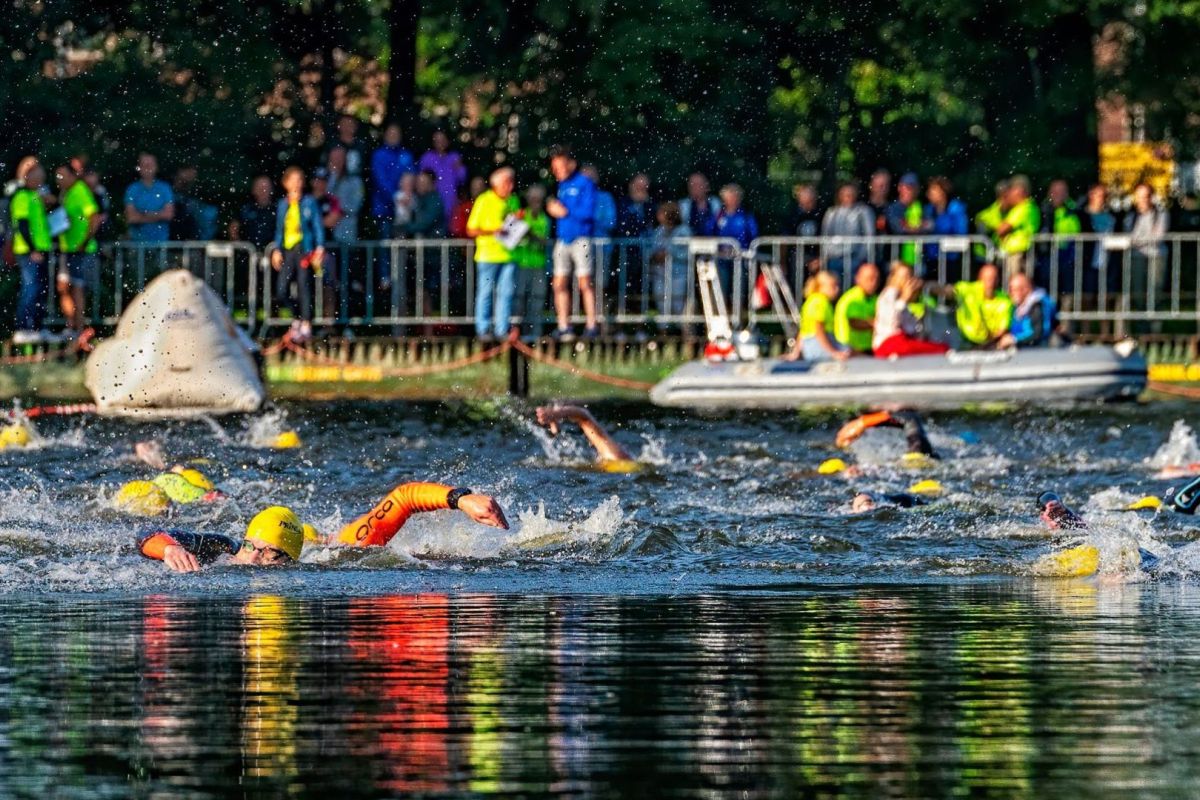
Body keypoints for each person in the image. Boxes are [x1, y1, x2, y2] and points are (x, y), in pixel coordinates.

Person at [139, 484, 509, 573]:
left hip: (322, 539)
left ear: (288, 559)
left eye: (271, 555)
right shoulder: (218, 546)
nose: (255, 560)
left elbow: (404, 498)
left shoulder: (341, 552)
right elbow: (146, 535)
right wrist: (169, 549)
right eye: (252, 548)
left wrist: (461, 499)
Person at [547, 147, 598, 340]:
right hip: (563, 240)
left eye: (559, 167)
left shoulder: (584, 183)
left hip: (581, 239)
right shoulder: (562, 186)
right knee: (559, 283)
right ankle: (563, 325)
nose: (556, 172)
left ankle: (591, 324)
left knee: (585, 283)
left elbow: (588, 214)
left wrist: (564, 211)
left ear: (571, 164)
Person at [270, 167, 325, 343]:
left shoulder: (309, 202)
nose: (297, 184)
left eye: (300, 180)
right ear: (285, 183)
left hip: (304, 248)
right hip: (288, 250)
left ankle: (307, 322)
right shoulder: (282, 204)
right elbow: (280, 230)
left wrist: (319, 247)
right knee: (281, 290)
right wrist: (276, 250)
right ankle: (297, 317)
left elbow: (317, 226)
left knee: (304, 286)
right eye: (293, 180)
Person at [466, 167, 519, 342]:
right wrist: (493, 231)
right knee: (486, 293)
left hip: (508, 256)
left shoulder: (513, 201)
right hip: (487, 256)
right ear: (496, 184)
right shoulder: (484, 200)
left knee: (506, 293)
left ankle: (501, 330)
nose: (510, 187)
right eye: (506, 183)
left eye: (511, 182)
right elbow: (471, 229)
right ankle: (483, 330)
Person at [10, 159, 55, 345]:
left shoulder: (35, 196)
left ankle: (37, 327)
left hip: (41, 249)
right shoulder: (22, 196)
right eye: (38, 176)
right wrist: (33, 249)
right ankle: (23, 328)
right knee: (31, 289)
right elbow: (22, 225)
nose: (41, 180)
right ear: (27, 176)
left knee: (41, 290)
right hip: (29, 251)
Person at [53, 164, 101, 337]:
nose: (59, 180)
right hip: (68, 249)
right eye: (57, 177)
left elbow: (94, 218)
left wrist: (84, 242)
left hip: (82, 250)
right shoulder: (66, 193)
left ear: (73, 176)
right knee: (63, 287)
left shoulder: (80, 190)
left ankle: (78, 330)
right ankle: (71, 326)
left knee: (77, 288)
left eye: (62, 176)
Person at [872, 262, 949, 358]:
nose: (907, 280)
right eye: (903, 277)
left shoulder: (903, 298)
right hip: (888, 343)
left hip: (901, 341)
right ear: (894, 278)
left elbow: (911, 329)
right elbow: (891, 323)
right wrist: (904, 298)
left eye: (909, 276)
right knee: (940, 349)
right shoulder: (888, 295)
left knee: (938, 347)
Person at [534, 405, 642, 473]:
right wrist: (556, 415)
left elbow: (584, 416)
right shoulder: (615, 458)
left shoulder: (615, 458)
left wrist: (556, 414)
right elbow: (584, 417)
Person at [785, 270, 847, 362]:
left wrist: (795, 352)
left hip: (809, 347)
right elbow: (818, 330)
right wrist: (833, 352)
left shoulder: (810, 301)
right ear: (820, 287)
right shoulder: (820, 302)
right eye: (833, 286)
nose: (837, 289)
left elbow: (803, 331)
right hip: (818, 346)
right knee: (849, 352)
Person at [512, 184, 550, 337]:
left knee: (536, 301)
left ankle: (534, 334)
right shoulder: (520, 215)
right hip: (520, 263)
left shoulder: (544, 219)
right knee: (518, 300)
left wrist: (529, 233)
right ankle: (515, 333)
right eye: (533, 199)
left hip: (538, 265)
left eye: (538, 200)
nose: (535, 203)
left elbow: (543, 241)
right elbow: (509, 236)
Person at [1124, 182, 1168, 310]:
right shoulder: (1130, 215)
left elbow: (1158, 236)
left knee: (1155, 290)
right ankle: (1140, 324)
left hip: (1156, 256)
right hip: (1136, 256)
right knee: (1137, 290)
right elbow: (1128, 236)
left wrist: (1135, 241)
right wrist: (1139, 240)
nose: (1143, 199)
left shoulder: (1161, 214)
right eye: (1140, 196)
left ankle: (1154, 325)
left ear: (1151, 197)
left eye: (1146, 196)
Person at [951, 263, 1014, 349]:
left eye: (994, 278)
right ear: (979, 279)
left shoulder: (1005, 301)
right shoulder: (968, 289)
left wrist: (989, 342)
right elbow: (949, 291)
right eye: (987, 278)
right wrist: (930, 286)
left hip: (990, 342)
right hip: (964, 339)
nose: (990, 282)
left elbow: (1002, 329)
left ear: (998, 280)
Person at [369, 122, 416, 238]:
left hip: (404, 208)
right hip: (383, 208)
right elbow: (380, 181)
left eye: (396, 133)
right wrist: (395, 197)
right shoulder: (379, 155)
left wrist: (406, 196)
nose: (394, 136)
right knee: (385, 245)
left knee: (402, 247)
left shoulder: (406, 155)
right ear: (385, 135)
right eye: (391, 133)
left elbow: (411, 176)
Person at [821, 182, 874, 282]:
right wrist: (827, 256)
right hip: (834, 259)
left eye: (851, 193)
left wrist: (861, 257)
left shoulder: (863, 211)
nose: (848, 196)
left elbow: (869, 235)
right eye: (845, 193)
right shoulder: (831, 212)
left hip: (855, 258)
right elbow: (826, 235)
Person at [1036, 179, 1083, 292]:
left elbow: (1077, 229)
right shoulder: (1042, 209)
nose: (1059, 195)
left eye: (1062, 191)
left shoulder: (1073, 210)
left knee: (1068, 283)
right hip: (1047, 253)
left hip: (1067, 253)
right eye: (1055, 191)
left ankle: (1066, 305)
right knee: (1046, 280)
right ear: (1049, 193)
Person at [714, 183, 758, 299]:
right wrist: (718, 249)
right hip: (722, 259)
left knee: (739, 290)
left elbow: (753, 235)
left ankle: (738, 312)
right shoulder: (718, 216)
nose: (732, 200)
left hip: (740, 259)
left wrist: (743, 250)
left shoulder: (745, 216)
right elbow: (710, 232)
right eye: (729, 197)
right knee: (721, 289)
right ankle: (724, 313)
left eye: (734, 197)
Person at [648, 201, 692, 317]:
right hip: (660, 273)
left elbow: (687, 253)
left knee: (678, 305)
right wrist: (655, 255)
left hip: (678, 274)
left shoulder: (684, 231)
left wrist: (670, 254)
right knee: (661, 303)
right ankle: (664, 332)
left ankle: (680, 332)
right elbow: (651, 249)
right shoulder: (658, 231)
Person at [921, 176, 968, 282]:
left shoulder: (956, 207)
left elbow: (961, 230)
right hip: (931, 257)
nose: (929, 193)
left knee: (949, 287)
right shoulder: (928, 209)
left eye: (933, 190)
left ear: (943, 192)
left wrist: (934, 225)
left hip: (950, 257)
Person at [417, 130, 467, 229]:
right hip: (432, 201)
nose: (440, 143)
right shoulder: (427, 157)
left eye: (442, 140)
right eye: (437, 140)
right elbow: (421, 181)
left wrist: (459, 168)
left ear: (448, 141)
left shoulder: (454, 157)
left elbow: (462, 179)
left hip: (451, 201)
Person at [993, 175, 1040, 277]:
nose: (1008, 194)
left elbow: (1001, 230)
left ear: (1020, 190)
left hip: (1019, 254)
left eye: (1011, 190)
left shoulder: (1024, 208)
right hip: (1019, 254)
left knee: (1017, 284)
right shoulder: (1025, 207)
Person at [123, 153, 174, 243]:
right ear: (139, 168)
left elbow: (169, 215)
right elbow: (131, 218)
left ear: (156, 167)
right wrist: (157, 215)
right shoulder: (132, 189)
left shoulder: (165, 188)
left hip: (160, 243)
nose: (148, 168)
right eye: (144, 165)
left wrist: (142, 215)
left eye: (150, 165)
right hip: (137, 243)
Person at [833, 262, 880, 354]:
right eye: (869, 279)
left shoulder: (874, 297)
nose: (874, 282)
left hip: (867, 348)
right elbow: (855, 323)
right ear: (858, 279)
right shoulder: (852, 298)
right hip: (850, 349)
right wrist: (879, 323)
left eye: (877, 279)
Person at [1080, 183, 1116, 299]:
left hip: (1107, 258)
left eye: (1104, 195)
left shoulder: (1112, 216)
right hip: (1087, 258)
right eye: (1099, 195)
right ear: (1091, 195)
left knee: (1106, 293)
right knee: (1087, 293)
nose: (1102, 198)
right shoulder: (1081, 215)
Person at [1007, 271, 1058, 347]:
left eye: (1017, 289)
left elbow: (1038, 334)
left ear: (1027, 289)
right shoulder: (1017, 307)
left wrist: (1014, 340)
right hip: (1023, 350)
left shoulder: (1037, 306)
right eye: (1011, 289)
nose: (1012, 293)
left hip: (1038, 353)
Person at [884, 172, 924, 267]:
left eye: (913, 188)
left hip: (917, 258)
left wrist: (909, 228)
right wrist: (918, 228)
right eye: (907, 187)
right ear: (899, 188)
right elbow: (898, 229)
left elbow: (931, 225)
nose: (910, 191)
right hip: (896, 257)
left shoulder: (921, 207)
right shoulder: (893, 208)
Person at [326, 147, 364, 245]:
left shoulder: (355, 181)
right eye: (334, 158)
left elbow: (355, 206)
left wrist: (337, 212)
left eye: (340, 158)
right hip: (326, 230)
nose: (336, 161)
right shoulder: (324, 179)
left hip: (346, 229)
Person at [785, 183, 823, 276]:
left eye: (810, 197)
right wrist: (782, 262)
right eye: (805, 196)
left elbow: (825, 237)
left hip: (815, 256)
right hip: (797, 255)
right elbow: (784, 239)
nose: (808, 199)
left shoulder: (821, 214)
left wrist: (820, 259)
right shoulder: (792, 215)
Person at [397, 170, 447, 239]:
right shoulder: (419, 198)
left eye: (423, 183)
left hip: (434, 243)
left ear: (431, 184)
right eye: (418, 183)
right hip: (425, 242)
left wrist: (403, 227)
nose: (419, 186)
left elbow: (424, 223)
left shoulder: (434, 201)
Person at [229, 176, 276, 248]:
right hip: (248, 253)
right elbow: (234, 227)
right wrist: (238, 245)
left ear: (271, 190)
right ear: (253, 190)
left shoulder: (277, 209)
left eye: (266, 188)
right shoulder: (246, 209)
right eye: (260, 188)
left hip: (271, 252)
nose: (263, 191)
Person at [615, 173, 655, 239]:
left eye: (644, 187)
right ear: (631, 186)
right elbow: (622, 225)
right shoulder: (622, 203)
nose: (641, 190)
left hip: (646, 244)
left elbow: (653, 223)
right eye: (638, 186)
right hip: (626, 243)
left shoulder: (650, 204)